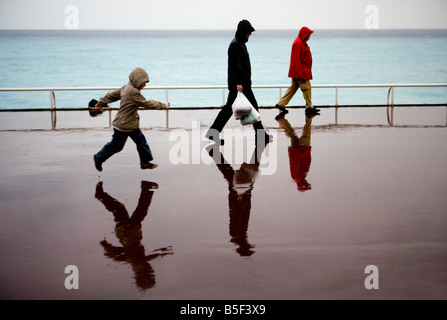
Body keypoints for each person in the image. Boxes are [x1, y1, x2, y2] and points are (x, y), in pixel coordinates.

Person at [95, 181, 173, 290]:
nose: (152, 270)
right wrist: (108, 248)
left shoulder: (138, 264)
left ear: (143, 275)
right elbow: (120, 256)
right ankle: (146, 189)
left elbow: (144, 259)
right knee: (130, 210)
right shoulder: (133, 263)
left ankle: (145, 189)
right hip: (126, 232)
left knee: (126, 209)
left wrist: (161, 253)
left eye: (151, 273)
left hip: (128, 232)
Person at [205, 19, 272, 145]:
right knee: (230, 109)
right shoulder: (235, 45)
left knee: (250, 107)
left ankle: (260, 134)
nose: (250, 34)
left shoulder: (240, 43)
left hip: (242, 84)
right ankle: (213, 132)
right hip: (240, 85)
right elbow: (236, 66)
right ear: (243, 32)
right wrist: (239, 83)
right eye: (249, 32)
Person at [93, 67, 170, 172]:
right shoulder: (133, 92)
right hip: (123, 125)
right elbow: (146, 103)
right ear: (137, 80)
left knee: (142, 142)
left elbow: (111, 96)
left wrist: (101, 102)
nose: (145, 85)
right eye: (143, 83)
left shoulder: (126, 88)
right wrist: (164, 105)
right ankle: (99, 157)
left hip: (131, 124)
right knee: (117, 146)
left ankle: (144, 162)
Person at [274, 27, 320, 116]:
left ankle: (281, 104)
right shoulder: (298, 42)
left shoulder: (302, 42)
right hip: (301, 72)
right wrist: (299, 73)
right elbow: (296, 59)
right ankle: (309, 107)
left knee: (293, 88)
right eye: (309, 34)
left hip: (301, 71)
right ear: (304, 34)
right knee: (306, 88)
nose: (310, 36)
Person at [275, 110, 318, 191]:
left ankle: (309, 117)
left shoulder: (297, 178)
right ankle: (281, 120)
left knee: (306, 136)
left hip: (301, 150)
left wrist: (301, 151)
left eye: (306, 184)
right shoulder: (301, 177)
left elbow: (295, 164)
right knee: (292, 135)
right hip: (296, 151)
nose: (307, 183)